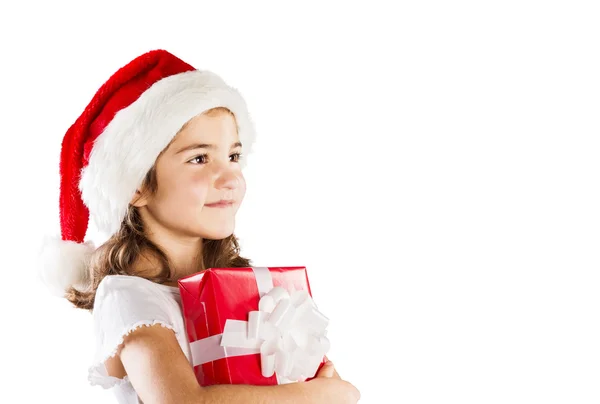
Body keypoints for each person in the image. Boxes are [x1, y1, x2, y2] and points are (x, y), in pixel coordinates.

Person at [37, 49, 360, 404]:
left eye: (234, 156)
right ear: (135, 186)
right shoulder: (128, 296)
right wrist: (319, 395)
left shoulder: (243, 288)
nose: (230, 178)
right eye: (200, 158)